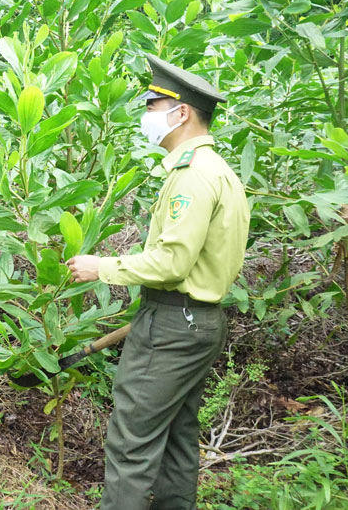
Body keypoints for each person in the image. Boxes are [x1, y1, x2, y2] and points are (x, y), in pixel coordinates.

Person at [66, 55, 250, 510]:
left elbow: (171, 263)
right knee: (179, 438)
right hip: (198, 323)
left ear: (181, 112)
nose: (146, 115)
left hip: (172, 325)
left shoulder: (193, 176)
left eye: (152, 104)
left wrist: (101, 267)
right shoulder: (220, 171)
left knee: (131, 443)